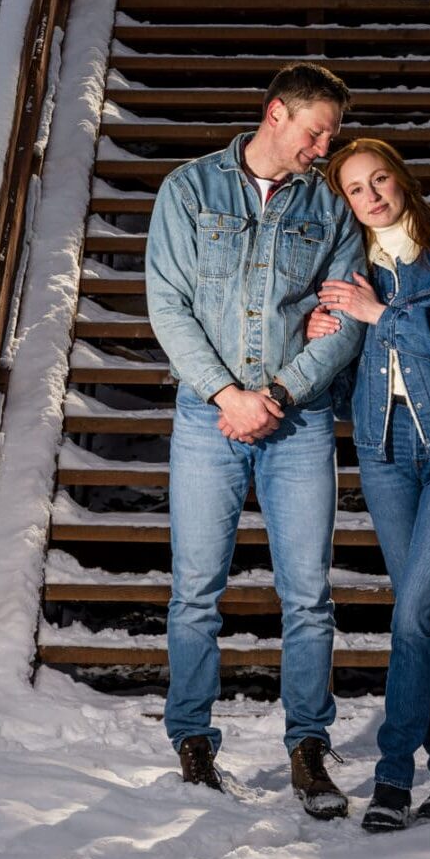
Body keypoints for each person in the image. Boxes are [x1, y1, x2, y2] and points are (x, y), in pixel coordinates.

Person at [145, 64, 367, 819]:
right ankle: (193, 742)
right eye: (316, 132)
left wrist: (274, 394)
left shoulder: (332, 207)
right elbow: (167, 306)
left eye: (330, 136)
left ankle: (309, 745)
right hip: (206, 420)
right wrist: (226, 396)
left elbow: (341, 325)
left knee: (308, 596)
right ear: (277, 114)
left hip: (298, 421)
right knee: (195, 592)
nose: (324, 148)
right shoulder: (188, 191)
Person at [308, 137, 430, 832]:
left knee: (413, 611)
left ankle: (393, 777)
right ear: (347, 205)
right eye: (356, 190)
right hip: (386, 453)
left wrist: (379, 315)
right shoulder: (348, 267)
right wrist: (322, 336)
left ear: (401, 179)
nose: (373, 196)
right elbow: (343, 382)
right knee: (420, 615)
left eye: (380, 179)